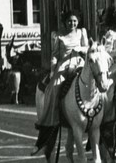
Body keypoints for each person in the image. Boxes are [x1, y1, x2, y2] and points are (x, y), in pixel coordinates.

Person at [32, 10, 88, 154]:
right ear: (65, 22)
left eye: (75, 21)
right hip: (64, 66)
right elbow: (55, 55)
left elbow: (87, 48)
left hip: (80, 63)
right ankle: (49, 121)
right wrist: (52, 70)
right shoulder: (58, 36)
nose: (72, 23)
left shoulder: (82, 32)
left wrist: (79, 49)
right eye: (70, 21)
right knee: (53, 89)